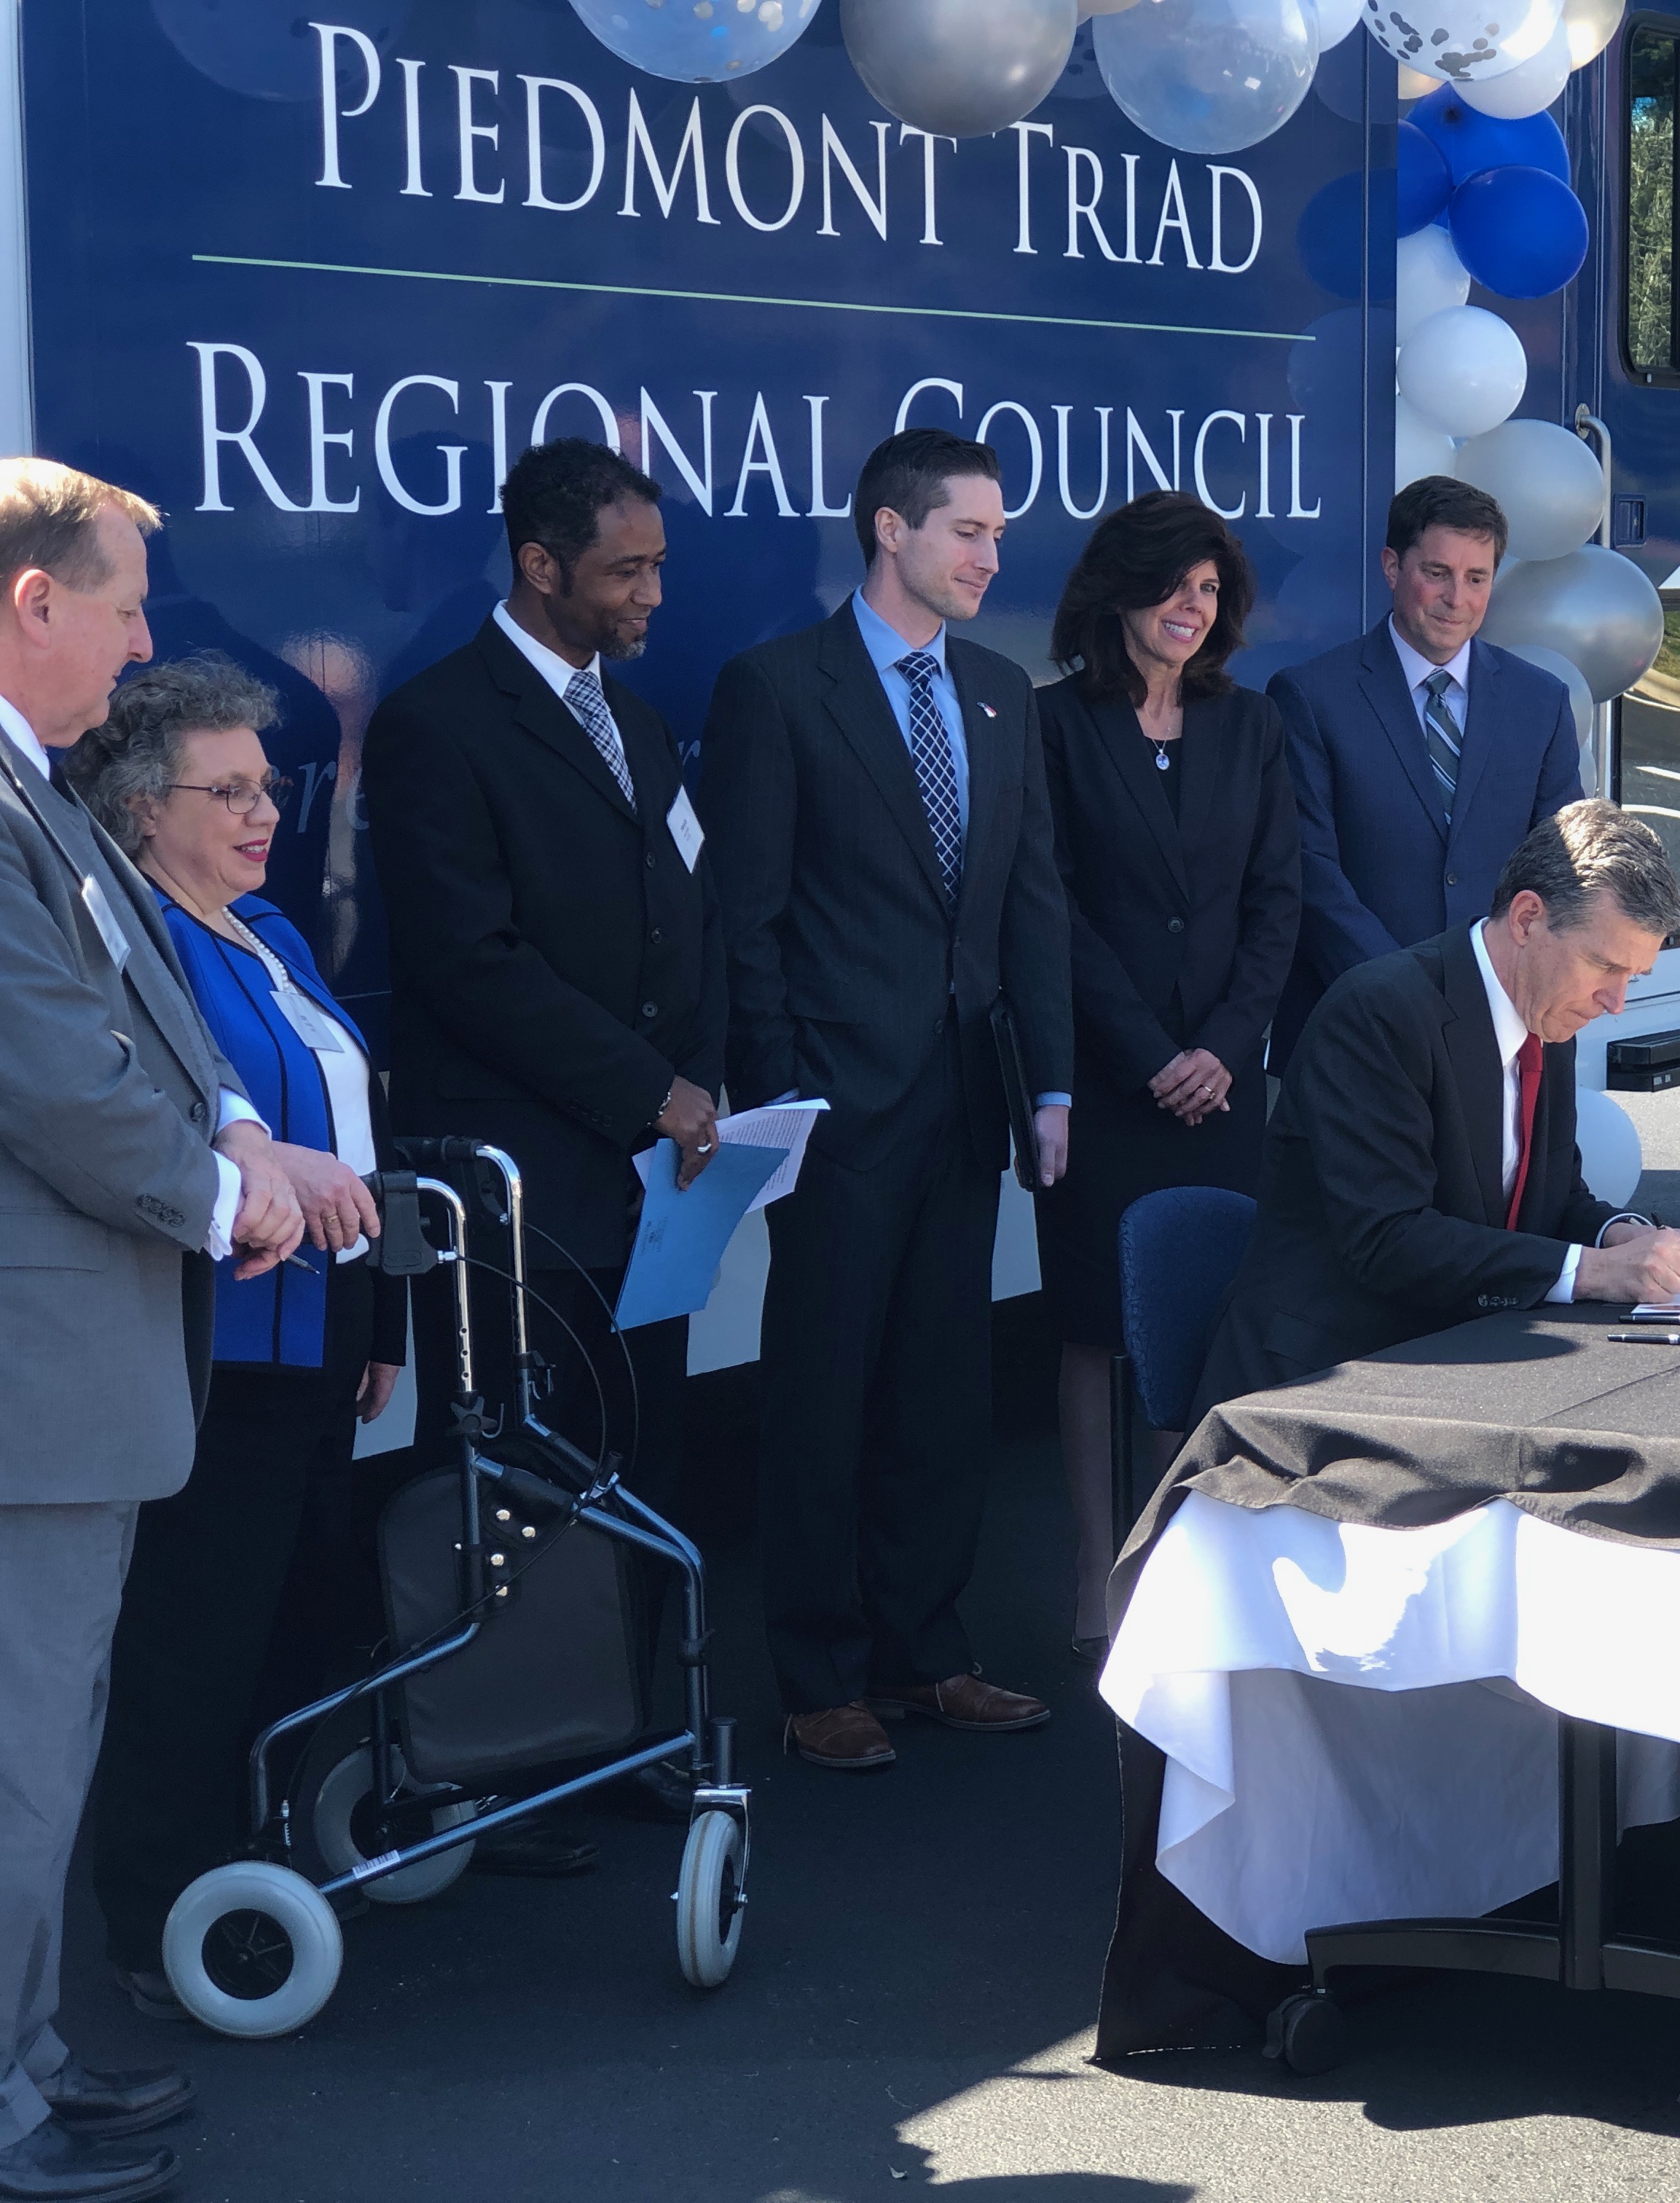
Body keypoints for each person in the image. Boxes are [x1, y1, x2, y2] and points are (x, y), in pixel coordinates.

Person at [0, 462, 309, 2203]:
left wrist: (240, 1137)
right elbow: (49, 1068)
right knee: (15, 1767)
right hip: (30, 1384)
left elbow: (147, 1036)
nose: (141, 643)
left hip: (82, 1379)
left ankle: (29, 2065)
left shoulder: (31, 792)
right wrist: (226, 1195)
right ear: (33, 603)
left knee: (46, 1757)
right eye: (121, 606)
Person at [362, 436, 726, 1837]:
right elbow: (471, 961)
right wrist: (650, 1084)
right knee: (525, 1463)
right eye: (626, 570)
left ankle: (628, 1728)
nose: (651, 595)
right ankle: (512, 1758)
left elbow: (685, 912)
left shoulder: (632, 722)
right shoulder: (438, 722)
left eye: (658, 565)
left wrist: (705, 1079)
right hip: (523, 1176)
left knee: (644, 1450)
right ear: (539, 565)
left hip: (652, 1172)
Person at [702, 428, 1074, 1772]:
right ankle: (819, 1675)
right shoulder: (777, 689)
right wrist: (779, 1103)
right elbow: (745, 922)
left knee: (940, 1387)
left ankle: (932, 1652)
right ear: (890, 532)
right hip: (836, 1110)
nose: (991, 557)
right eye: (968, 531)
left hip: (970, 1102)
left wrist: (1051, 1083)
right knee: (822, 1392)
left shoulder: (996, 688)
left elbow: (1027, 899)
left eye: (995, 533)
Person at [63, 656, 408, 2023]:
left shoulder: (267, 926)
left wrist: (375, 1310)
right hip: (222, 1345)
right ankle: (155, 1920)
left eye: (268, 786)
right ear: (145, 807)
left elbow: (348, 1143)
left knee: (303, 1612)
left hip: (320, 1333)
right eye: (231, 790)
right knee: (193, 1637)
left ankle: (261, 1858)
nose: (266, 811)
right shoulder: (140, 946)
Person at [1196, 801, 1680, 1412]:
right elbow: (1389, 1239)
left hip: (1458, 1358)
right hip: (1322, 1384)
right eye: (1604, 965)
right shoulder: (1380, 1013)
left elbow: (1549, 1200)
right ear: (1526, 919)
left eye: (1636, 976)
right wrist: (1599, 1271)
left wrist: (1620, 1234)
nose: (1616, 1001)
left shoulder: (1548, 1015)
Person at [1036, 492, 1301, 1656]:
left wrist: (1225, 1046)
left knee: (1196, 1317)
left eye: (1210, 591)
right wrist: (1149, 1052)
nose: (1191, 609)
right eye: (1173, 586)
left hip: (1225, 1080)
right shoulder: (1051, 727)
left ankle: (1179, 1560)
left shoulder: (1251, 727)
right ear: (1119, 590)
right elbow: (1054, 911)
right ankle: (1100, 1574)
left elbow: (1273, 903)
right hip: (1104, 1079)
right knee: (1098, 1328)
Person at [1265, 476, 1583, 1048]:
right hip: (1353, 1028)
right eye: (1437, 573)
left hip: (1500, 1027)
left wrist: (1494, 991)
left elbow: (1560, 866)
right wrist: (1407, 995)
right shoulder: (1310, 697)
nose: (1456, 598)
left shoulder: (1541, 702)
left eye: (1476, 578)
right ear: (1392, 568)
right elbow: (1308, 871)